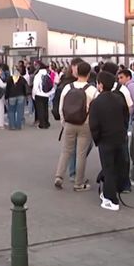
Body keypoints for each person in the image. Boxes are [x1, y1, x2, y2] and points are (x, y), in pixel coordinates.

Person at [54, 62, 98, 192]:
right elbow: (96, 110)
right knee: (81, 154)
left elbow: (61, 107)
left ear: (76, 72)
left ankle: (59, 176)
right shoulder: (92, 90)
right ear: (88, 74)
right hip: (85, 124)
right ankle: (79, 182)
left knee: (66, 151)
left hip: (69, 123)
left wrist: (64, 122)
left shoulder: (68, 87)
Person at [90, 71, 129, 211]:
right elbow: (126, 117)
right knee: (116, 166)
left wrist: (97, 139)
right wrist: (123, 132)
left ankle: (111, 199)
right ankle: (110, 193)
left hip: (105, 140)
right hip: (119, 138)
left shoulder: (96, 102)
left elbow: (93, 125)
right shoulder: (119, 98)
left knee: (108, 168)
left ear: (100, 84)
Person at [32, 62, 54, 129]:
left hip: (39, 94)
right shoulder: (48, 75)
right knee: (45, 109)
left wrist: (33, 95)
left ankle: (42, 124)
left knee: (40, 110)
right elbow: (51, 86)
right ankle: (46, 123)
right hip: (46, 95)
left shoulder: (38, 75)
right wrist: (49, 94)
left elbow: (35, 87)